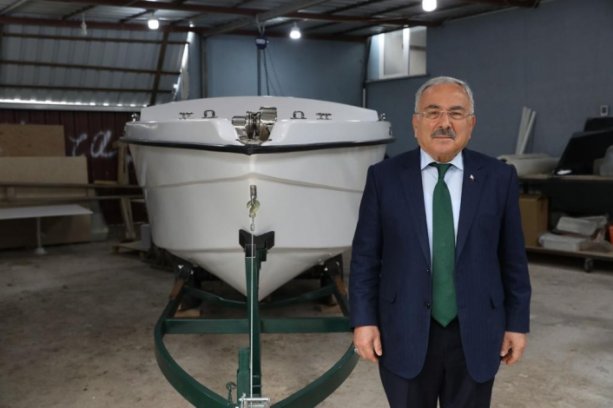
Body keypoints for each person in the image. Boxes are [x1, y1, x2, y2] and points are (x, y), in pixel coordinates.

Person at [349, 76, 532, 407]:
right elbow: (365, 258)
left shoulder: (498, 177)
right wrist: (364, 320)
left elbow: (513, 259)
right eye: (433, 112)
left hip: (477, 332)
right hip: (403, 330)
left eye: (456, 113)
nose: (444, 123)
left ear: (471, 124)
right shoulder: (384, 178)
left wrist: (517, 324)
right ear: (415, 123)